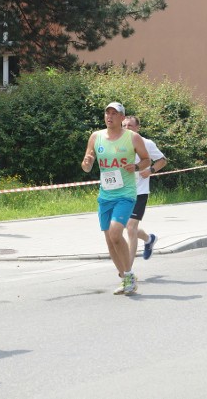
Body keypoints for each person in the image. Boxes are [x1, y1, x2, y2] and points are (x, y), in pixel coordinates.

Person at [81, 102, 151, 295]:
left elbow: (146, 160)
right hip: (105, 195)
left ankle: (128, 274)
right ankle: (125, 278)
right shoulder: (96, 137)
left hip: (126, 194)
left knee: (115, 233)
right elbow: (87, 164)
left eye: (114, 113)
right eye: (107, 113)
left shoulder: (132, 138)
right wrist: (87, 163)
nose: (110, 116)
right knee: (109, 239)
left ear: (122, 118)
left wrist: (136, 167)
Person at [121, 115, 168, 269]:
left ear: (137, 128)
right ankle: (149, 239)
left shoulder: (146, 143)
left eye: (130, 125)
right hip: (121, 192)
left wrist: (150, 170)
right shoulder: (117, 143)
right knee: (125, 227)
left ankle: (128, 269)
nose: (126, 128)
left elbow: (162, 160)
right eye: (124, 125)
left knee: (130, 227)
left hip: (139, 192)